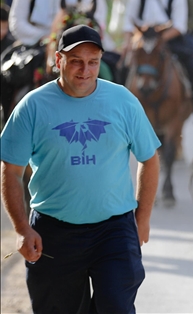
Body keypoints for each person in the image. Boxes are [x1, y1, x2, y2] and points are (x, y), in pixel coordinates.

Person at [0, 24, 160, 312]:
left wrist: (143, 216)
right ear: (59, 61)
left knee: (117, 307)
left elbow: (149, 158)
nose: (85, 70)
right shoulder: (32, 107)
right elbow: (11, 170)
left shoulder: (123, 100)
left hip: (114, 230)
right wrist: (22, 228)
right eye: (76, 61)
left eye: (93, 62)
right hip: (54, 232)